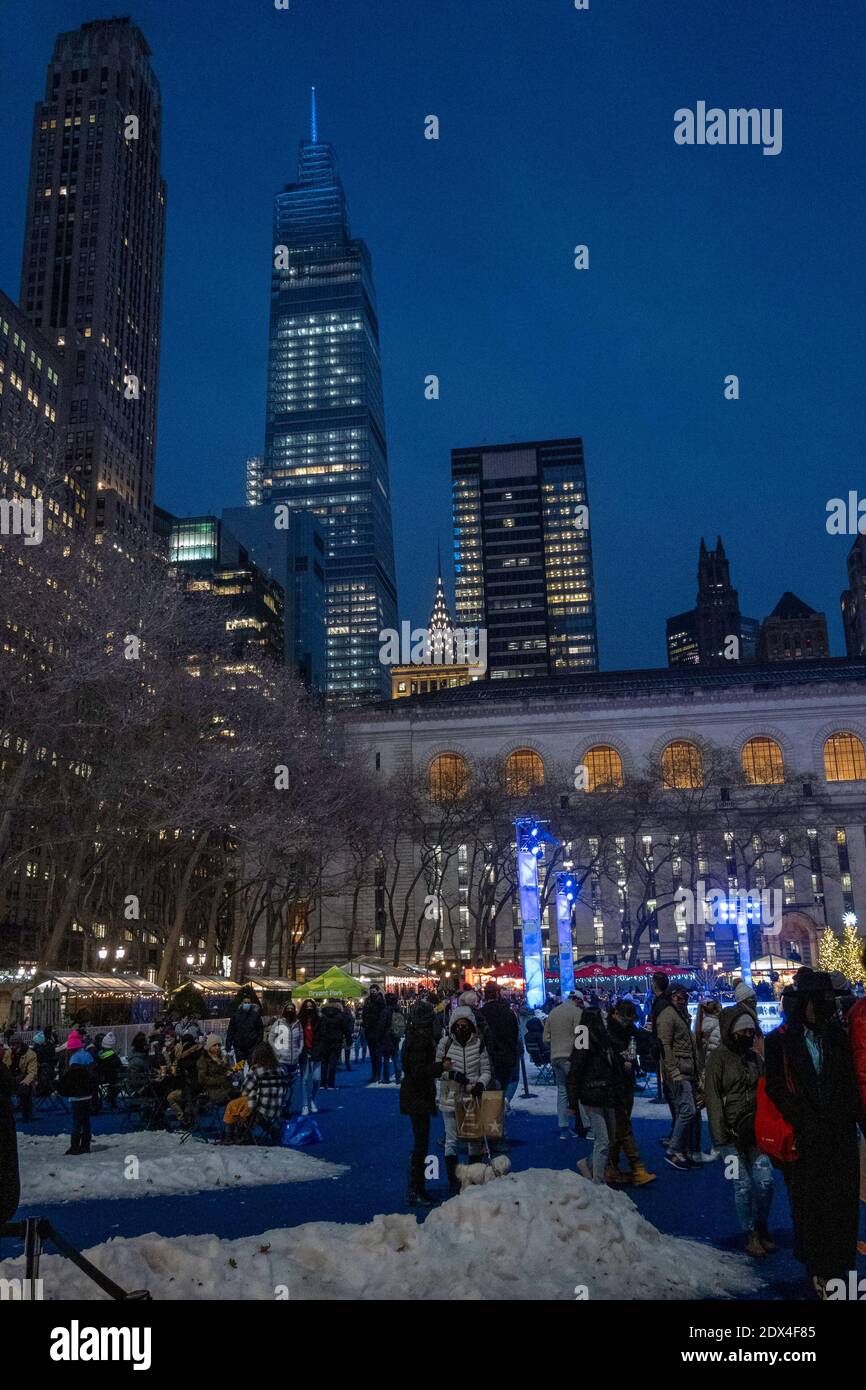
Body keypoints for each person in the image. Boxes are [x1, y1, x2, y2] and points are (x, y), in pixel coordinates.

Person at [765, 971, 862, 1298]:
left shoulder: (837, 1035)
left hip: (840, 1136)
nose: (826, 1005)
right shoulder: (778, 1040)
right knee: (812, 1206)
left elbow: (850, 1083)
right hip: (806, 1139)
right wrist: (802, 1118)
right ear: (803, 1002)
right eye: (819, 999)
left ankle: (841, 1266)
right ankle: (819, 1269)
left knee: (843, 1205)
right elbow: (776, 1087)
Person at [704, 1006, 774, 1257]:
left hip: (755, 1132)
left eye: (751, 1031)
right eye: (744, 1031)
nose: (748, 1035)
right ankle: (750, 1234)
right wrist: (719, 1137)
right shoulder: (717, 1060)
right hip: (729, 1136)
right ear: (732, 1032)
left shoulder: (755, 1059)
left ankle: (762, 1225)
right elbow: (712, 1099)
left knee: (765, 1181)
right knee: (741, 1184)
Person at [434, 1006, 491, 1193]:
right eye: (458, 1025)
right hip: (450, 1097)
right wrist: (451, 1075)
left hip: (472, 1096)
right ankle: (454, 1180)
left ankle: (474, 1178)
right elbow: (437, 1071)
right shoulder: (445, 1044)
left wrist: (481, 1083)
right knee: (451, 1141)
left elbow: (486, 1070)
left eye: (464, 1025)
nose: (461, 1028)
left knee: (474, 1140)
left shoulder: (479, 1044)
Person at [565, 1008, 625, 1183]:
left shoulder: (601, 1038)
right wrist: (573, 1100)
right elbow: (576, 1068)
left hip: (604, 1091)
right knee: (604, 1140)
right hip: (593, 1092)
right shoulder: (586, 1036)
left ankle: (590, 1165)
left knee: (610, 1138)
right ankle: (598, 1182)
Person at [605, 1000, 656, 1186]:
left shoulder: (627, 1029)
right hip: (614, 1082)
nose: (628, 1023)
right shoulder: (607, 1031)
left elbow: (639, 1041)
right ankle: (636, 1166)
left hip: (625, 1081)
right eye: (626, 1019)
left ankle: (611, 1166)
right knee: (622, 1125)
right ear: (617, 1014)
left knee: (619, 1127)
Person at [657, 984, 703, 1170]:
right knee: (687, 1110)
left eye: (685, 996)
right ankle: (674, 1149)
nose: (683, 999)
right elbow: (665, 1045)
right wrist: (672, 1070)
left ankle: (680, 1149)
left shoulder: (679, 1015)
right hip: (678, 1070)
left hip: (685, 1068)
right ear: (672, 997)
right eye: (680, 996)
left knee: (687, 1110)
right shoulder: (669, 1016)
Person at [399, 998, 439, 1206]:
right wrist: (440, 1067)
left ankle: (417, 1185)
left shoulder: (412, 1037)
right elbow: (417, 1071)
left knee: (421, 1141)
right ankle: (416, 1187)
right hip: (418, 1094)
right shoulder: (420, 1040)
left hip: (415, 1093)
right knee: (421, 1142)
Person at [543, 992, 584, 1139]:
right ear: (577, 1000)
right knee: (578, 1090)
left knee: (562, 1091)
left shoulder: (553, 1012)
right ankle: (586, 1126)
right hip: (571, 1057)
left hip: (555, 1057)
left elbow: (545, 1038)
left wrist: (555, 1045)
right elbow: (581, 1038)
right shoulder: (577, 1012)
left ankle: (563, 1128)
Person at [57, 1043, 95, 1156]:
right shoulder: (88, 1059)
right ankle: (85, 1145)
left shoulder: (73, 1065)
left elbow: (66, 1083)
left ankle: (74, 1146)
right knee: (86, 1121)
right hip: (87, 1096)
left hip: (76, 1098)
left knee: (76, 1122)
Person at [269, 1003, 303, 1109]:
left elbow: (301, 1039)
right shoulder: (278, 1023)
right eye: (288, 1008)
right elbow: (271, 1038)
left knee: (291, 1086)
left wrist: (299, 1050)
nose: (290, 1010)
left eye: (292, 1009)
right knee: (282, 1084)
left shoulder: (298, 1024)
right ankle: (280, 1104)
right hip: (281, 1060)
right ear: (284, 1010)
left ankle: (287, 1105)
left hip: (294, 1060)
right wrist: (276, 1050)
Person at [166, 1032, 204, 1122]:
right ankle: (188, 1113)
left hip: (193, 1090)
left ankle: (183, 1118)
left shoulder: (185, 1057)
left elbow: (179, 1072)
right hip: (203, 1088)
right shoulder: (202, 1053)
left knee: (170, 1097)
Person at [225, 992, 264, 1065]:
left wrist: (258, 1042)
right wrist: (228, 1046)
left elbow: (260, 1029)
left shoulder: (255, 1015)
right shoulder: (236, 1015)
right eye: (245, 1002)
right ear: (242, 1003)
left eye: (248, 1003)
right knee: (239, 1068)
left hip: (252, 1047)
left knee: (252, 1068)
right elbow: (231, 1031)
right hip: (239, 1048)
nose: (247, 1004)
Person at [298, 999, 322, 1115]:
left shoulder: (319, 1020)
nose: (308, 1009)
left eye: (310, 1006)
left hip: (316, 1051)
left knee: (317, 1079)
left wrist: (319, 1051)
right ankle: (305, 1105)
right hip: (303, 1052)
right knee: (304, 1079)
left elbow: (322, 1036)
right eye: (306, 1006)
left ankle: (312, 1099)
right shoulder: (299, 1021)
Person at [319, 997, 348, 1090]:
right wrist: (349, 1040)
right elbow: (345, 1029)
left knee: (324, 1063)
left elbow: (318, 1029)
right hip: (336, 1042)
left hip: (324, 1042)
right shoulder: (340, 1015)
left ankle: (322, 1083)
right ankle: (331, 1084)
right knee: (333, 1063)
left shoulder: (322, 1015)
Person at [196, 1035, 235, 1107]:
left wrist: (230, 1071)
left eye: (219, 1045)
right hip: (214, 1091)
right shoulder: (203, 1060)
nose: (217, 1047)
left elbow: (228, 1070)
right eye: (214, 1045)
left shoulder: (222, 1057)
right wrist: (221, 1079)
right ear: (209, 1047)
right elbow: (202, 1079)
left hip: (227, 1088)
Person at [362, 986, 389, 1084]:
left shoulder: (381, 1002)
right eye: (371, 991)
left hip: (377, 1032)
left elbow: (382, 1018)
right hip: (369, 1031)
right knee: (373, 1054)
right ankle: (374, 1075)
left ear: (377, 991)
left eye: (374, 991)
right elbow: (364, 1014)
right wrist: (365, 1023)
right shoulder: (368, 1001)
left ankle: (377, 1075)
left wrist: (380, 1030)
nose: (372, 992)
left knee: (377, 1054)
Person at [382, 993, 405, 1084]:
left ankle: (386, 1077)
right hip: (396, 1036)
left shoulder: (385, 1011)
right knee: (396, 1057)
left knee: (386, 1058)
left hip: (387, 1036)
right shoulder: (398, 1010)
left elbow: (382, 1024)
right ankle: (398, 1077)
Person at [96, 1032, 123, 1107]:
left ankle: (110, 1097)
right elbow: (119, 1066)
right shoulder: (113, 1056)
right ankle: (111, 1099)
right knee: (120, 1082)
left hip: (101, 1077)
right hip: (111, 1078)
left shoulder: (100, 1054)